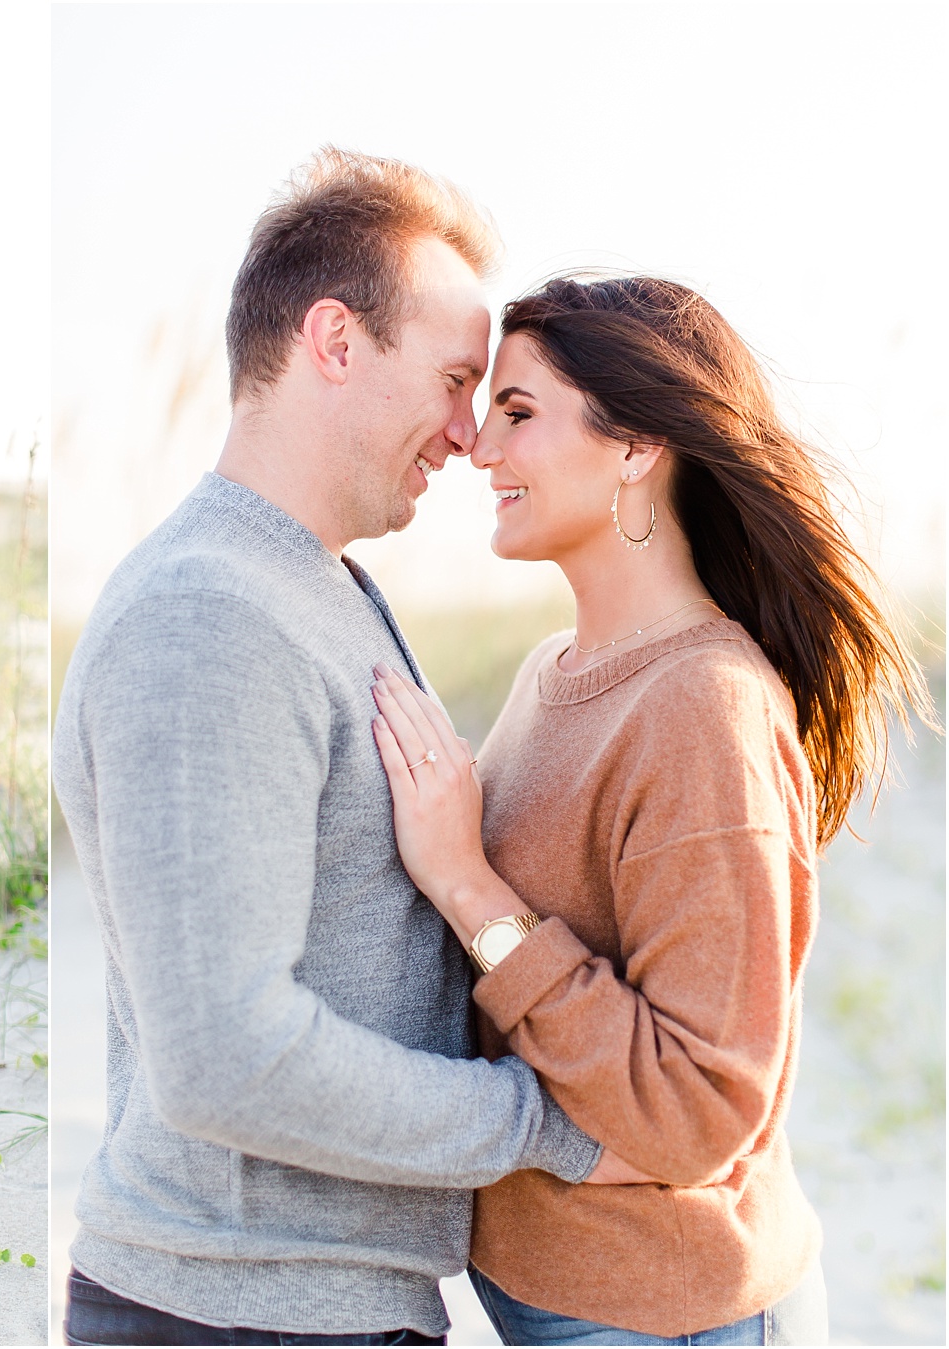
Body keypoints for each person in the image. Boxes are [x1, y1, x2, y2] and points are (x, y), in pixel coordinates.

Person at [54, 150, 649, 1347]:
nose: (468, 432)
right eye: (452, 378)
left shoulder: (316, 584)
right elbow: (225, 1055)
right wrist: (541, 1121)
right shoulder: (207, 614)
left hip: (303, 1303)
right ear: (334, 339)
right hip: (236, 1309)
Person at [369, 274, 934, 1345]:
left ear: (636, 448)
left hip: (669, 1316)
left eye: (520, 413)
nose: (480, 448)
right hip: (558, 1302)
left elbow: (699, 1110)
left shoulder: (703, 712)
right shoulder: (552, 672)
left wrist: (467, 883)